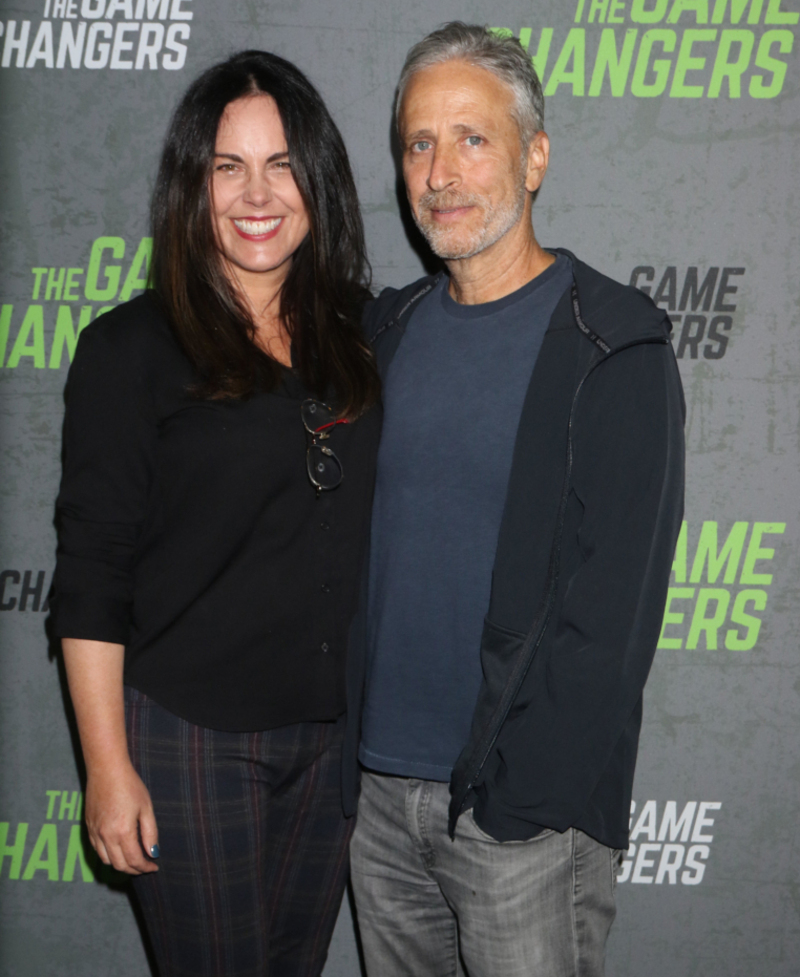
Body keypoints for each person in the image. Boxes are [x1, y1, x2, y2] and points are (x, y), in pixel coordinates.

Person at [346, 22, 685, 977]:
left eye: (472, 138)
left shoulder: (612, 347)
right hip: (377, 805)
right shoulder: (388, 331)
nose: (441, 172)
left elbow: (613, 617)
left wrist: (518, 806)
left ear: (534, 157)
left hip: (516, 823)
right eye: (420, 143)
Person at [51, 50, 381, 977]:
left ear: (317, 178)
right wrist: (106, 769)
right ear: (192, 186)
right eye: (226, 166)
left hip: (331, 745)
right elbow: (90, 576)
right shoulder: (129, 348)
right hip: (191, 738)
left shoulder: (365, 333)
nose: (255, 192)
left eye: (280, 163)